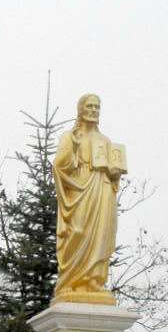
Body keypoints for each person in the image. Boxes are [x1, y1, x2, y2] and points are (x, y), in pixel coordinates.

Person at [53, 93, 125, 304]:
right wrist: (73, 147)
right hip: (79, 188)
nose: (94, 110)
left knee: (101, 234)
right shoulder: (71, 136)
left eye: (97, 107)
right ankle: (69, 282)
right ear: (81, 109)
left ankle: (94, 281)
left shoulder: (105, 141)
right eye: (90, 106)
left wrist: (114, 173)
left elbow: (114, 176)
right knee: (77, 231)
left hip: (102, 189)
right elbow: (59, 166)